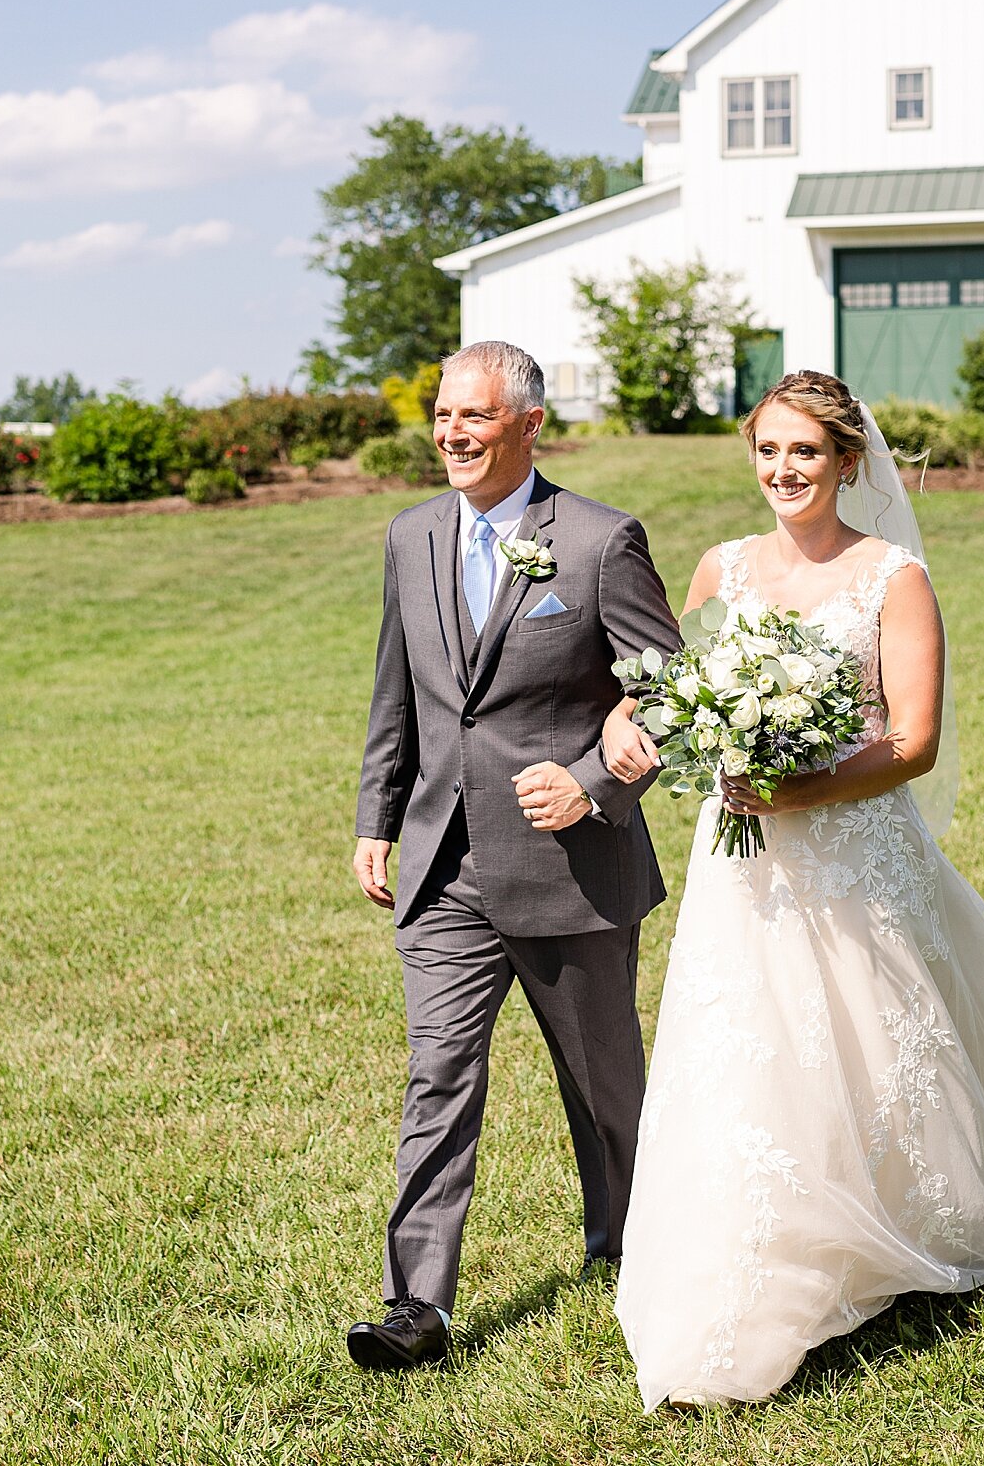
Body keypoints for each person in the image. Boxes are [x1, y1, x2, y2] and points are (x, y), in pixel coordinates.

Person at [603, 370, 984, 1409]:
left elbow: (913, 743)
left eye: (804, 453)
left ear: (847, 462)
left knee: (873, 1032)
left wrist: (803, 785)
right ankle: (752, 1246)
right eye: (767, 451)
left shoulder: (893, 576)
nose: (782, 471)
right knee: (749, 1039)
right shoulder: (723, 568)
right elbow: (673, 697)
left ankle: (906, 1211)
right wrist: (630, 727)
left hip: (852, 844)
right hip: (741, 856)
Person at [347, 339, 682, 1370]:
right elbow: (397, 690)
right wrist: (377, 814)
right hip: (444, 866)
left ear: (529, 425)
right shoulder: (410, 536)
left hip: (568, 865)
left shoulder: (596, 541)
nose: (451, 433)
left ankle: (636, 1249)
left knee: (604, 1085)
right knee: (437, 1076)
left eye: (474, 417)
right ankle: (418, 1306)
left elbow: (669, 692)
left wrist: (589, 780)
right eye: (443, 415)